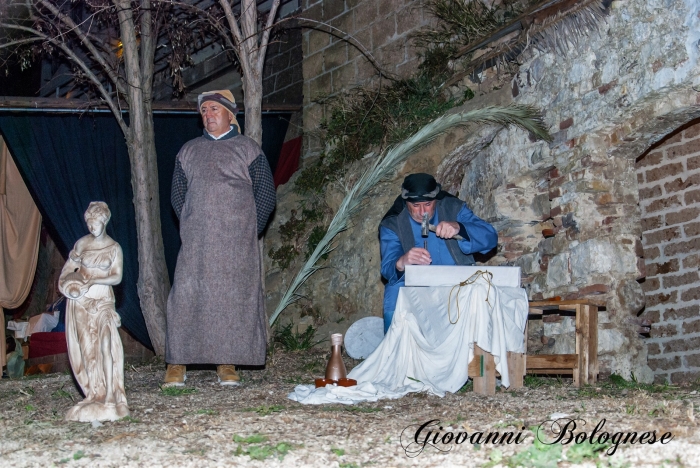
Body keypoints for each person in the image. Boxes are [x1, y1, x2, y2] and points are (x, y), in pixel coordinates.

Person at [165, 90, 276, 386]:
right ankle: (177, 362)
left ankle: (227, 363)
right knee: (186, 296)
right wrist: (193, 224)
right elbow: (178, 196)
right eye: (204, 111)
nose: (208, 114)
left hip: (235, 243)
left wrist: (248, 231)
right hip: (197, 243)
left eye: (214, 109)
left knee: (231, 301)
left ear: (230, 114)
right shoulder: (188, 151)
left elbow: (265, 196)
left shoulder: (247, 150)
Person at [378, 173, 498, 332]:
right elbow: (388, 269)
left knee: (482, 291)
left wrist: (460, 228)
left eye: (427, 204)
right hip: (416, 287)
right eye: (415, 206)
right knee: (394, 292)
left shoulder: (453, 208)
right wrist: (401, 262)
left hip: (457, 283)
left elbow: (490, 237)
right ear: (406, 202)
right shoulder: (393, 223)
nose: (422, 212)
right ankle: (397, 352)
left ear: (436, 199)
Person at [58, 202, 129, 421]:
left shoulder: (114, 247)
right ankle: (94, 392)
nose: (91, 227)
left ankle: (111, 395)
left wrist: (94, 280)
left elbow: (117, 277)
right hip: (81, 303)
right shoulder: (82, 244)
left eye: (95, 223)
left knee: (105, 345)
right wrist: (66, 286)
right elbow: (68, 270)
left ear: (104, 221)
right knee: (88, 349)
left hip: (103, 302)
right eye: (88, 223)